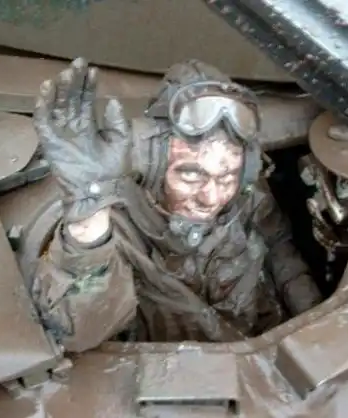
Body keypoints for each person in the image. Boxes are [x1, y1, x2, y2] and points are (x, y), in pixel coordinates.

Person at [30, 58, 323, 352]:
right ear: (154, 164)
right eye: (191, 175)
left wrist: (314, 328)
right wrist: (89, 216)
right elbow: (77, 332)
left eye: (226, 177)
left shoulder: (247, 196)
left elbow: (283, 255)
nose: (211, 198)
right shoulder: (116, 228)